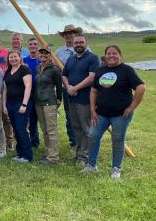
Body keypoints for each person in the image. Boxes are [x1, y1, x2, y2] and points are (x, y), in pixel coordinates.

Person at [83, 45, 146, 179]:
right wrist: (92, 109)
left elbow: (141, 87)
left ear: (120, 55)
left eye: (114, 53)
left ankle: (116, 169)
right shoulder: (100, 70)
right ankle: (91, 166)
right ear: (105, 56)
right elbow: (94, 90)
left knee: (117, 140)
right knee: (93, 136)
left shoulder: (126, 70)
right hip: (101, 113)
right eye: (108, 54)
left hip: (120, 114)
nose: (111, 56)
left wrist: (131, 107)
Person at [62, 35, 100, 166]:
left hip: (85, 100)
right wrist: (68, 87)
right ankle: (79, 154)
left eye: (81, 42)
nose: (78, 44)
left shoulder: (93, 58)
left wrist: (75, 88)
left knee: (86, 128)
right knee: (76, 127)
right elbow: (64, 75)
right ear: (73, 44)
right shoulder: (71, 59)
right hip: (72, 100)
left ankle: (85, 156)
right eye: (76, 42)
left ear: (86, 43)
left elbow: (92, 77)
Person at [55, 24, 83, 152]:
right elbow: (54, 68)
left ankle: (84, 142)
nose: (68, 36)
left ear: (76, 34)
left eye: (71, 33)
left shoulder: (85, 49)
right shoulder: (58, 53)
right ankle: (74, 142)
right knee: (70, 115)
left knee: (83, 115)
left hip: (82, 88)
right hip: (65, 88)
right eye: (66, 34)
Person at [34, 45, 63, 164]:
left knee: (51, 130)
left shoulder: (54, 69)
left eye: (46, 53)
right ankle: (48, 153)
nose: (43, 55)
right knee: (44, 130)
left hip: (49, 102)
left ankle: (54, 156)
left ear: (50, 55)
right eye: (41, 53)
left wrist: (59, 100)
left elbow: (59, 86)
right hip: (38, 102)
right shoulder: (38, 68)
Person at [3, 50, 33, 163]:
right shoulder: (8, 71)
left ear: (20, 57)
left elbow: (28, 87)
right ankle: (20, 153)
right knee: (15, 129)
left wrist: (24, 104)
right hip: (10, 103)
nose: (13, 59)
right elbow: (5, 89)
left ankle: (27, 155)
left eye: (15, 57)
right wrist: (4, 104)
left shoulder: (24, 70)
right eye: (11, 57)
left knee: (21, 129)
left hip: (21, 103)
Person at [23, 37, 41, 148]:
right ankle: (33, 141)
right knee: (30, 117)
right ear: (28, 46)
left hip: (39, 91)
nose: (33, 46)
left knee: (38, 117)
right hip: (27, 91)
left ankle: (35, 141)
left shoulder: (42, 60)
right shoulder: (24, 60)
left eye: (35, 44)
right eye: (30, 44)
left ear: (37, 46)